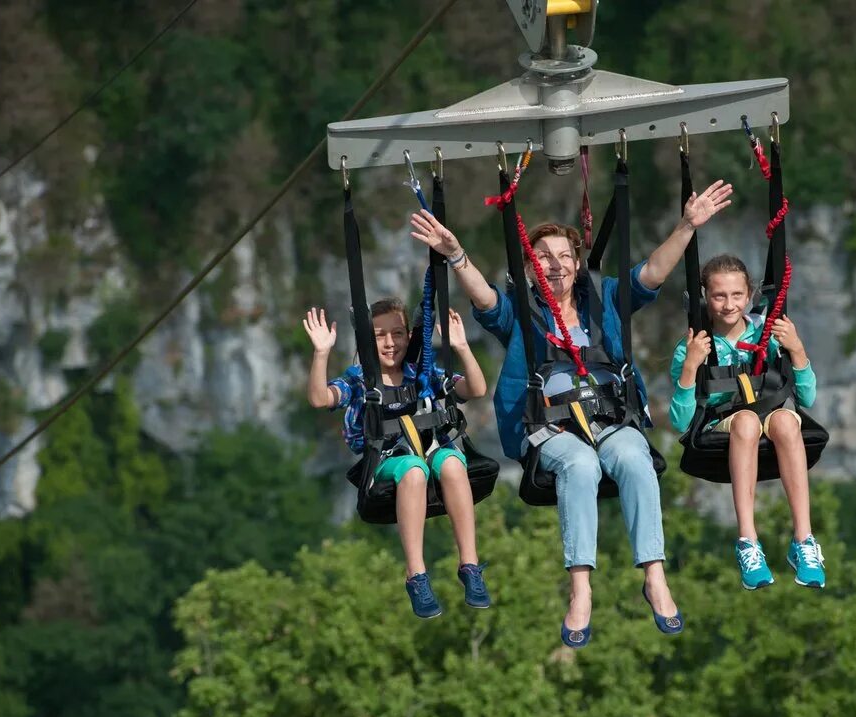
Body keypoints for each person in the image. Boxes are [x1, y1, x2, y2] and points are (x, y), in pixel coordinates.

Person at [408, 179, 734, 647]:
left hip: (611, 419)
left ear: (578, 265)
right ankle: (580, 589)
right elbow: (484, 299)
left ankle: (655, 575)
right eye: (543, 258)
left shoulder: (603, 302)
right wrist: (457, 255)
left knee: (634, 457)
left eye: (564, 257)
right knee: (580, 466)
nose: (555, 266)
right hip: (550, 429)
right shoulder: (523, 311)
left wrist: (687, 225)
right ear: (529, 266)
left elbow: (652, 274)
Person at [303, 298, 491, 618]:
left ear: (409, 336)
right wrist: (322, 353)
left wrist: (461, 346)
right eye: (379, 336)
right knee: (414, 470)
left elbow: (476, 388)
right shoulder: (361, 379)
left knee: (453, 462)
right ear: (366, 341)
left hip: (429, 450)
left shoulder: (423, 373)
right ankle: (416, 575)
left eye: (398, 333)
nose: (390, 343)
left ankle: (469, 565)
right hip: (389, 461)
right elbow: (321, 398)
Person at [668, 254, 826, 589]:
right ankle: (748, 541)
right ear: (705, 298)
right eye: (719, 296)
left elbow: (807, 399)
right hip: (723, 426)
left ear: (750, 295)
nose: (728, 305)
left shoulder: (766, 336)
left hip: (768, 417)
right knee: (746, 423)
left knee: (786, 421)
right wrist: (690, 368)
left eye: (737, 295)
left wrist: (796, 351)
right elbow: (679, 420)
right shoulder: (694, 347)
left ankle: (804, 540)